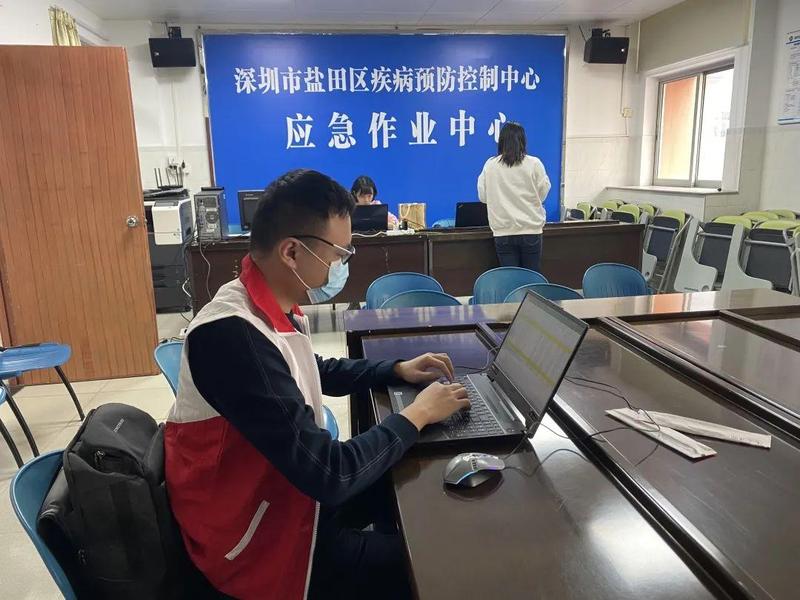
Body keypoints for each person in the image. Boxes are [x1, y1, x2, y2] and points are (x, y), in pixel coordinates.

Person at [165, 169, 469, 600]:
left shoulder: (266, 303)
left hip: (286, 498)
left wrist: (395, 370)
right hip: (260, 547)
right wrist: (416, 414)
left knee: (413, 493)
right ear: (292, 252)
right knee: (436, 558)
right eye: (339, 254)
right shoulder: (231, 336)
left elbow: (314, 368)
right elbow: (330, 472)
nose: (343, 265)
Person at [477, 122, 551, 271]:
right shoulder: (534, 163)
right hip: (531, 230)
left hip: (503, 232)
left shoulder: (490, 165)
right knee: (532, 278)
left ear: (501, 141)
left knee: (511, 279)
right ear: (523, 141)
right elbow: (543, 193)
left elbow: (483, 197)